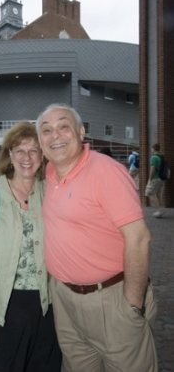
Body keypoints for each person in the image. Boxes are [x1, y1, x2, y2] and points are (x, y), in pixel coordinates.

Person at [36, 103, 158, 372]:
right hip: (65, 301)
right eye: (46, 130)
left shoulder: (106, 171)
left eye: (63, 126)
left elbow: (139, 239)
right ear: (41, 142)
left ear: (80, 133)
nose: (55, 135)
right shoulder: (49, 173)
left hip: (111, 300)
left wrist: (132, 305)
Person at [0, 121, 61, 372]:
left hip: (47, 305)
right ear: (9, 155)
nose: (27, 158)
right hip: (8, 309)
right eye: (20, 150)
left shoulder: (50, 193)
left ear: (42, 155)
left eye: (34, 150)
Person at [145, 143, 165, 218]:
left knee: (149, 193)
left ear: (153, 149)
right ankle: (162, 208)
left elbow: (152, 169)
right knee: (158, 194)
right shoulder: (161, 157)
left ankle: (159, 210)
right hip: (161, 179)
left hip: (155, 178)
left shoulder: (154, 158)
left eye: (151, 148)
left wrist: (150, 178)